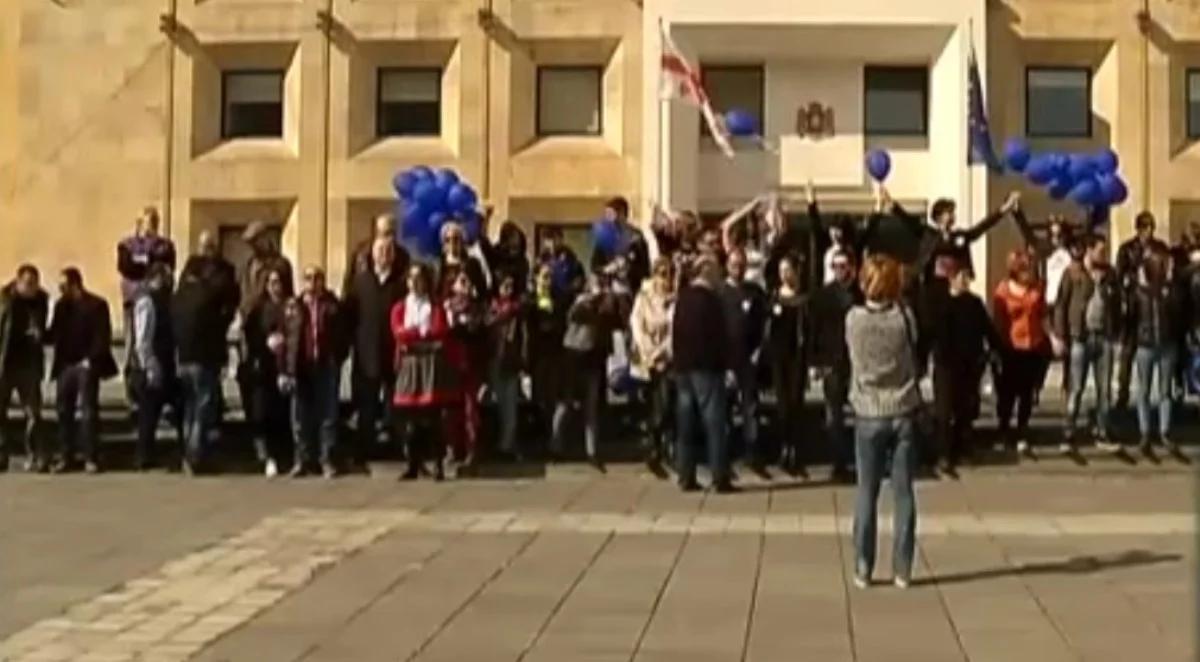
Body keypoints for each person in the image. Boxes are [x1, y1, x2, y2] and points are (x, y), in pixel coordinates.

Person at [846, 255, 923, 589]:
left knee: (867, 491)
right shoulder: (904, 318)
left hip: (868, 409)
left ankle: (864, 566)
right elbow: (914, 352)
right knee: (903, 492)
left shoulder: (854, 319)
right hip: (903, 406)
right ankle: (902, 569)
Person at [926, 259, 1004, 475]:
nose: (966, 281)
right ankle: (943, 454)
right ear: (952, 277)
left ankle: (962, 449)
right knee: (944, 411)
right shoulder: (940, 303)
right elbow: (931, 333)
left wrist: (997, 349)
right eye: (962, 277)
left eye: (968, 277)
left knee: (965, 409)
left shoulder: (974, 303)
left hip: (970, 363)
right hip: (945, 364)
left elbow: (987, 328)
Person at [174, 231, 240, 474]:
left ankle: (192, 454)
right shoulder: (194, 271)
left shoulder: (223, 271)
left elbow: (231, 301)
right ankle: (194, 456)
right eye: (203, 245)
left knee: (198, 406)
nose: (206, 250)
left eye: (209, 246)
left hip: (205, 348)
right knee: (200, 405)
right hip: (196, 351)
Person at [1054, 234, 1123, 456]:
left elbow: (1117, 303)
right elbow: (1060, 305)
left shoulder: (1110, 274)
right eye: (1100, 250)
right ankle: (1068, 430)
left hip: (1104, 337)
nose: (1103, 255)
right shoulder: (1073, 273)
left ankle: (1102, 430)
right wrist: (1060, 336)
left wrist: (1117, 333)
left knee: (1104, 390)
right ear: (1089, 251)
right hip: (1080, 338)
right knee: (1076, 387)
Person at [672, 254, 734, 493]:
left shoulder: (683, 298)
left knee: (686, 423)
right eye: (717, 269)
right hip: (707, 369)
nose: (720, 274)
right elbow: (719, 337)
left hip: (683, 369)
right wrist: (725, 365)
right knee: (714, 423)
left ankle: (685, 475)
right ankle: (719, 475)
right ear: (707, 271)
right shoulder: (712, 301)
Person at [391, 264, 459, 481]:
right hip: (410, 364)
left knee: (433, 419)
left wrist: (422, 336)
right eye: (411, 279)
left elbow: (440, 331)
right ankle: (413, 464)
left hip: (430, 365)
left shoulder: (435, 306)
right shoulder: (400, 307)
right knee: (411, 420)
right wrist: (420, 335)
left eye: (419, 278)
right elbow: (399, 332)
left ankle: (438, 464)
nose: (414, 283)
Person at [344, 238, 407, 470]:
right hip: (365, 353)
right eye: (380, 250)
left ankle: (400, 450)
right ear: (372, 255)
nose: (385, 254)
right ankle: (363, 451)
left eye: (389, 250)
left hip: (393, 354)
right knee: (366, 406)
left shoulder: (401, 284)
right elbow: (349, 317)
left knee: (396, 406)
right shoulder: (360, 283)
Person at [47, 268, 118, 473]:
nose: (60, 290)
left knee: (88, 411)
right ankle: (65, 455)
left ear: (74, 284)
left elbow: (103, 336)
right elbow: (54, 333)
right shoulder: (61, 307)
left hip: (86, 365)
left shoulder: (96, 305)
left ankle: (90, 456)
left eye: (63, 286)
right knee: (63, 411)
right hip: (65, 365)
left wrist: (91, 359)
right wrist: (39, 334)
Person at [552, 274, 623, 467]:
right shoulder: (580, 304)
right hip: (573, 359)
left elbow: (614, 319)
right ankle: (556, 445)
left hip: (591, 362)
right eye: (597, 285)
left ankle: (592, 451)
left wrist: (610, 299)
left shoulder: (604, 305)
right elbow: (579, 316)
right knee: (565, 405)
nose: (600, 289)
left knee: (591, 409)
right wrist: (593, 300)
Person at [283, 266, 346, 479]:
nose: (313, 282)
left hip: (325, 364)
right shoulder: (294, 306)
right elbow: (286, 338)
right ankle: (301, 460)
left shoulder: (332, 305)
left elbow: (342, 335)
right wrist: (286, 369)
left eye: (317, 278)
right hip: (301, 366)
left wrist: (337, 357)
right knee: (299, 416)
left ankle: (326, 460)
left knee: (327, 415)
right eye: (308, 278)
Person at [808, 249, 862, 482]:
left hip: (858, 361)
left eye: (844, 266)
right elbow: (814, 330)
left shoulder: (861, 294)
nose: (840, 271)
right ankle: (838, 462)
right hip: (832, 360)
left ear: (852, 268)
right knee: (834, 416)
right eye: (836, 266)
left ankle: (862, 460)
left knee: (863, 414)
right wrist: (815, 362)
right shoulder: (822, 295)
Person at [886, 188, 1019, 280]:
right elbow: (908, 220)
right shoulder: (928, 233)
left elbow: (983, 226)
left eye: (952, 212)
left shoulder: (959, 236)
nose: (952, 216)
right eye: (948, 212)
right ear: (939, 216)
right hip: (933, 286)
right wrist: (893, 205)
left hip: (955, 284)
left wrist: (1005, 208)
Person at [992, 250, 1051, 458]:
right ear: (1016, 272)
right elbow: (999, 321)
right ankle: (1003, 429)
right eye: (1026, 271)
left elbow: (1043, 315)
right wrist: (996, 347)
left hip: (1032, 345)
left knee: (1026, 392)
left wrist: (1050, 338)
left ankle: (1022, 430)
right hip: (1011, 346)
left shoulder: (1037, 290)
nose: (1030, 274)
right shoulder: (1003, 290)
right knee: (1007, 392)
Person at [1128, 253, 1187, 458]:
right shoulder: (1140, 292)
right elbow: (1131, 318)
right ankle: (1145, 432)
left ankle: (1164, 431)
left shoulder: (1171, 291)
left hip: (1167, 345)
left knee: (1165, 391)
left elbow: (1180, 313)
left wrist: (1171, 282)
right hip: (1145, 345)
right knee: (1143, 390)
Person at [116, 207, 176, 404]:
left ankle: (161, 392)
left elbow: (165, 266)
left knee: (159, 346)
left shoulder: (165, 245)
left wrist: (144, 262)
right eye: (148, 222)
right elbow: (126, 267)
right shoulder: (126, 245)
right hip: (132, 302)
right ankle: (132, 394)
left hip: (159, 302)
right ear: (139, 223)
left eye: (154, 222)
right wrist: (148, 262)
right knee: (132, 346)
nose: (151, 227)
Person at [1115, 212, 1170, 410]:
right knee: (1127, 351)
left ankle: (1167, 393)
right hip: (1133, 304)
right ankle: (1123, 392)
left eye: (1150, 227)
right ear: (1138, 229)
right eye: (1144, 228)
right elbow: (1120, 275)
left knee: (1159, 350)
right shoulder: (1127, 249)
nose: (1148, 232)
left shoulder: (1160, 247)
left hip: (1154, 304)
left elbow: (1166, 269)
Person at [242, 266, 293, 477]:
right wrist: (265, 342)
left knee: (282, 413)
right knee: (261, 412)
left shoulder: (290, 306)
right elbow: (249, 334)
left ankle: (283, 456)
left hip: (285, 366)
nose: (276, 287)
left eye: (279, 282)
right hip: (262, 366)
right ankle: (265, 456)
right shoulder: (258, 308)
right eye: (271, 283)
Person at [719, 248, 768, 471]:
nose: (737, 268)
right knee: (725, 410)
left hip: (749, 358)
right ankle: (726, 453)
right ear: (727, 266)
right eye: (734, 264)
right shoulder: (719, 292)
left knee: (751, 408)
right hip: (726, 361)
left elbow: (763, 323)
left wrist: (758, 350)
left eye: (741, 265)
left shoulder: (754, 292)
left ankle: (753, 452)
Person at [0, 265, 49, 472]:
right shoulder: (5, 302)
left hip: (28, 364)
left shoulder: (41, 301)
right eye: (28, 283)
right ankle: (2, 455)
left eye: (34, 283)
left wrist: (39, 336)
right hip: (5, 362)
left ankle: (36, 455)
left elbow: (42, 328)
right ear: (18, 282)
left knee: (33, 414)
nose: (32, 287)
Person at [128, 265, 176, 470]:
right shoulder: (147, 302)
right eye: (166, 276)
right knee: (148, 413)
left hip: (162, 360)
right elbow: (143, 338)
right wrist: (149, 364)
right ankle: (143, 456)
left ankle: (148, 454)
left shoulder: (162, 300)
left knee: (153, 412)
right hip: (151, 363)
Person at [765, 254, 809, 475]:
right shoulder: (774, 298)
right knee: (782, 406)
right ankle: (784, 447)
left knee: (796, 404)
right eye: (782, 270)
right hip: (779, 358)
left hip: (797, 358)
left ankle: (797, 450)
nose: (784, 275)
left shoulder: (804, 299)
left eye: (788, 270)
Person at [630, 257, 675, 468]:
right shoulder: (644, 298)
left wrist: (663, 352)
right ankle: (654, 446)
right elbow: (637, 326)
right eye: (661, 273)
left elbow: (674, 329)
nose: (665, 278)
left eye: (668, 273)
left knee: (665, 403)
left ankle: (663, 443)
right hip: (647, 361)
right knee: (651, 405)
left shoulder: (674, 299)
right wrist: (650, 353)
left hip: (666, 359)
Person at [443, 270, 486, 470]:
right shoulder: (446, 307)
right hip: (451, 364)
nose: (465, 284)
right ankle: (452, 448)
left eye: (467, 280)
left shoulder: (477, 308)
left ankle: (471, 451)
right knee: (451, 410)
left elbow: (475, 330)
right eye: (461, 281)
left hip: (471, 364)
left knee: (470, 410)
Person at [486, 271, 528, 459]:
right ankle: (494, 442)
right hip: (494, 358)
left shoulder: (518, 311)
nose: (508, 291)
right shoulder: (492, 309)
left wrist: (523, 359)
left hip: (510, 360)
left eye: (511, 287)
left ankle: (507, 444)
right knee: (495, 403)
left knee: (510, 405)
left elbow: (524, 337)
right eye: (505, 286)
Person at [528, 263, 568, 452]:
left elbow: (561, 323)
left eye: (549, 277)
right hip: (537, 356)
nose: (546, 281)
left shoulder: (558, 299)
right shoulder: (530, 300)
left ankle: (555, 441)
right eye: (543, 276)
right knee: (540, 401)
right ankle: (544, 438)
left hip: (555, 355)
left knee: (555, 400)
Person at [342, 213, 411, 297]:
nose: (391, 237)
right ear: (376, 233)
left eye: (393, 232)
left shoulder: (402, 255)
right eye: (387, 233)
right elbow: (349, 281)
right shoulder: (360, 253)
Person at [591, 196, 651, 293]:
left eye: (610, 214)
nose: (607, 219)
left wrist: (627, 268)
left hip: (631, 293)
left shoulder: (636, 237)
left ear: (622, 213)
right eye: (606, 215)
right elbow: (594, 266)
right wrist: (607, 269)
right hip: (608, 293)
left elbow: (646, 270)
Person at [437, 222, 488, 300]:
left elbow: (482, 291)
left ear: (462, 240)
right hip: (445, 308)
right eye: (447, 239)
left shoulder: (473, 263)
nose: (452, 243)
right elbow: (436, 292)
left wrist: (471, 291)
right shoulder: (439, 265)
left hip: (469, 308)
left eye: (456, 238)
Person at [482, 221, 530, 296]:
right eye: (512, 237)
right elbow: (484, 246)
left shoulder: (522, 260)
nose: (515, 240)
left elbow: (523, 284)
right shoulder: (496, 254)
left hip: (516, 300)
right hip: (497, 299)